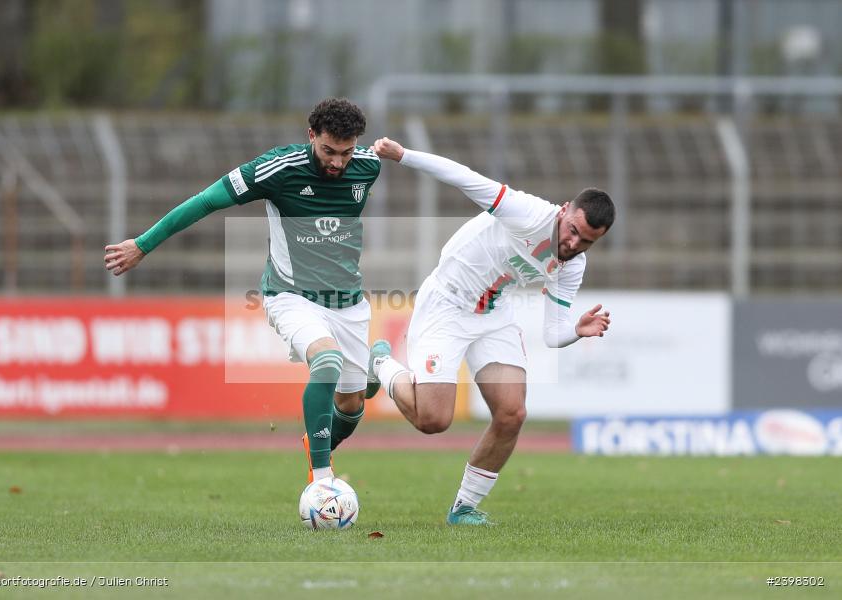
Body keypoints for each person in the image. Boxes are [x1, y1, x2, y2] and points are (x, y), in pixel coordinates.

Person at [105, 98, 381, 483]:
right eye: (328, 151)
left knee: (352, 406)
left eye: (346, 152)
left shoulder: (369, 166)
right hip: (291, 296)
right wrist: (143, 244)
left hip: (348, 303)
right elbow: (205, 201)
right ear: (311, 135)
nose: (337, 163)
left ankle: (369, 374)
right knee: (327, 363)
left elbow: (375, 158)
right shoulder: (278, 168)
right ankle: (322, 483)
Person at [366, 137, 614, 525]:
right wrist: (404, 156)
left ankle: (464, 508)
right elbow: (464, 178)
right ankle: (380, 361)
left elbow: (553, 334)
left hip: (493, 314)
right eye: (572, 230)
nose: (572, 243)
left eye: (586, 242)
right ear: (565, 211)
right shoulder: (527, 213)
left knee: (512, 413)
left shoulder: (572, 266)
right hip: (446, 304)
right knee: (433, 421)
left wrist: (576, 331)